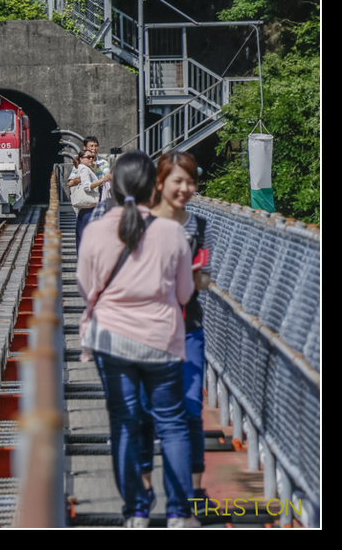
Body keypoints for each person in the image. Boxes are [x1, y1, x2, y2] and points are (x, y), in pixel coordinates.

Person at [76, 151, 198, 528]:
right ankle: (179, 513)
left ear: (112, 187)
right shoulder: (170, 231)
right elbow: (183, 293)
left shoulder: (95, 231)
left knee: (124, 424)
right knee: (173, 424)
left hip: (111, 342)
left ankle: (137, 511)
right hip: (161, 340)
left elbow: (85, 288)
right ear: (153, 188)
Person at [141, 151, 210, 499]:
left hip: (189, 326)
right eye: (178, 180)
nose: (185, 188)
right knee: (145, 411)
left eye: (190, 181)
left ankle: (193, 492)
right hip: (148, 331)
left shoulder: (197, 225)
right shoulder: (141, 225)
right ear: (160, 182)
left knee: (191, 408)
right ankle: (145, 490)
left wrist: (194, 277)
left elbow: (205, 277)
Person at [72, 149, 104, 255]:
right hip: (88, 209)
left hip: (84, 210)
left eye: (92, 157)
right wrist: (103, 180)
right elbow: (87, 187)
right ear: (81, 159)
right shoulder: (84, 169)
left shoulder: (81, 168)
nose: (91, 159)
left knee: (82, 239)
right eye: (88, 157)